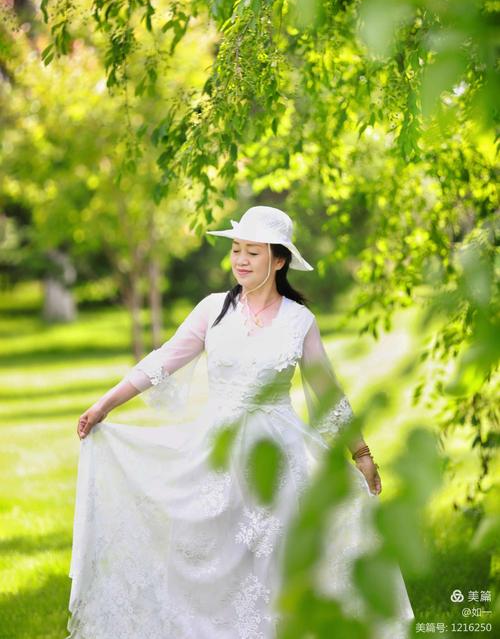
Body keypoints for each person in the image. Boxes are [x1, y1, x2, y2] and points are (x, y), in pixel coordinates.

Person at [67, 205, 414, 638]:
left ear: (280, 259)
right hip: (215, 451)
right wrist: (105, 405)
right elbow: (163, 361)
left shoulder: (298, 320)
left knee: (274, 561)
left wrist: (360, 452)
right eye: (236, 250)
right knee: (204, 558)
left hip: (279, 457)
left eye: (253, 251)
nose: (241, 260)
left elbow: (327, 391)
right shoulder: (214, 309)